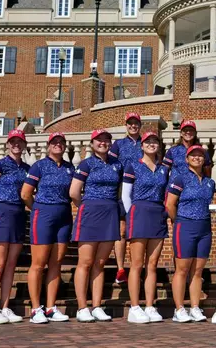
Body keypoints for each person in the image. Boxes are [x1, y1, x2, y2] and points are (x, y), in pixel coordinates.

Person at [21, 132, 74, 324]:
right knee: (39, 262)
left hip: (64, 215)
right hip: (43, 213)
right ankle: (36, 308)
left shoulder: (69, 167)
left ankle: (51, 307)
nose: (58, 145)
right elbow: (26, 193)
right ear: (48, 145)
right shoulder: (39, 165)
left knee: (56, 262)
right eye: (54, 142)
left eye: (61, 142)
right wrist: (38, 209)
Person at [69, 129, 121, 322]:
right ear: (92, 143)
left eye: (106, 140)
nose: (103, 143)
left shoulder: (117, 164)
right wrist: (87, 206)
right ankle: (82, 307)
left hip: (110, 214)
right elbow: (74, 192)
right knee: (85, 262)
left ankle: (97, 305)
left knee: (100, 263)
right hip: (90, 212)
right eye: (99, 140)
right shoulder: (86, 163)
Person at [0, 129, 30, 324]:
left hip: (18, 214)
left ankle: (5, 306)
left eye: (20, 141)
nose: (16, 144)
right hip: (1, 212)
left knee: (11, 264)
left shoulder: (27, 168)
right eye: (13, 141)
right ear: (8, 144)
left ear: (24, 144)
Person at [166, 145, 216, 323]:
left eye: (200, 155)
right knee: (182, 270)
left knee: (197, 271)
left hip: (204, 228)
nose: (197, 158)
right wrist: (178, 220)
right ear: (186, 159)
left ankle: (195, 307)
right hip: (185, 225)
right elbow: (170, 204)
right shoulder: (180, 178)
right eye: (193, 155)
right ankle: (179, 309)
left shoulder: (210, 182)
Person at [123, 132, 168, 323]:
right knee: (137, 263)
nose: (151, 144)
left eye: (154, 141)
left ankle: (149, 306)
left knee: (152, 264)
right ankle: (135, 307)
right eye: (147, 142)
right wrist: (129, 216)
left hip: (157, 213)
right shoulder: (133, 165)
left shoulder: (164, 169)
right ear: (142, 146)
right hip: (139, 212)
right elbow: (126, 195)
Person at [109, 112, 143, 285]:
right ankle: (121, 269)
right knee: (122, 229)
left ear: (140, 125)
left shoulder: (146, 143)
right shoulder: (118, 144)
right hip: (123, 188)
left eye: (136, 123)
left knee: (139, 230)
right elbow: (111, 164)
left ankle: (137, 267)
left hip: (143, 189)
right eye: (130, 123)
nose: (133, 126)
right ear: (126, 125)